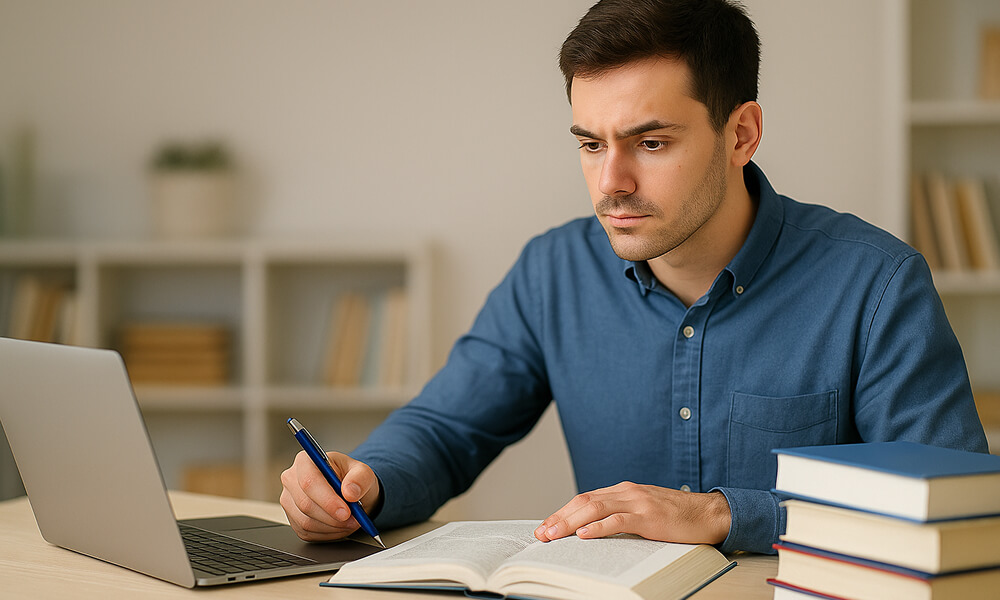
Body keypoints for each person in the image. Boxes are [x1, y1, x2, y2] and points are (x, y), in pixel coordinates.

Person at [280, 0, 988, 554]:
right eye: (591, 144)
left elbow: (952, 498)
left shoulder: (874, 282)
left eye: (651, 143)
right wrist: (365, 482)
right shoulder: (552, 271)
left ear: (740, 133)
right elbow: (445, 429)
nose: (611, 182)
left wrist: (723, 513)